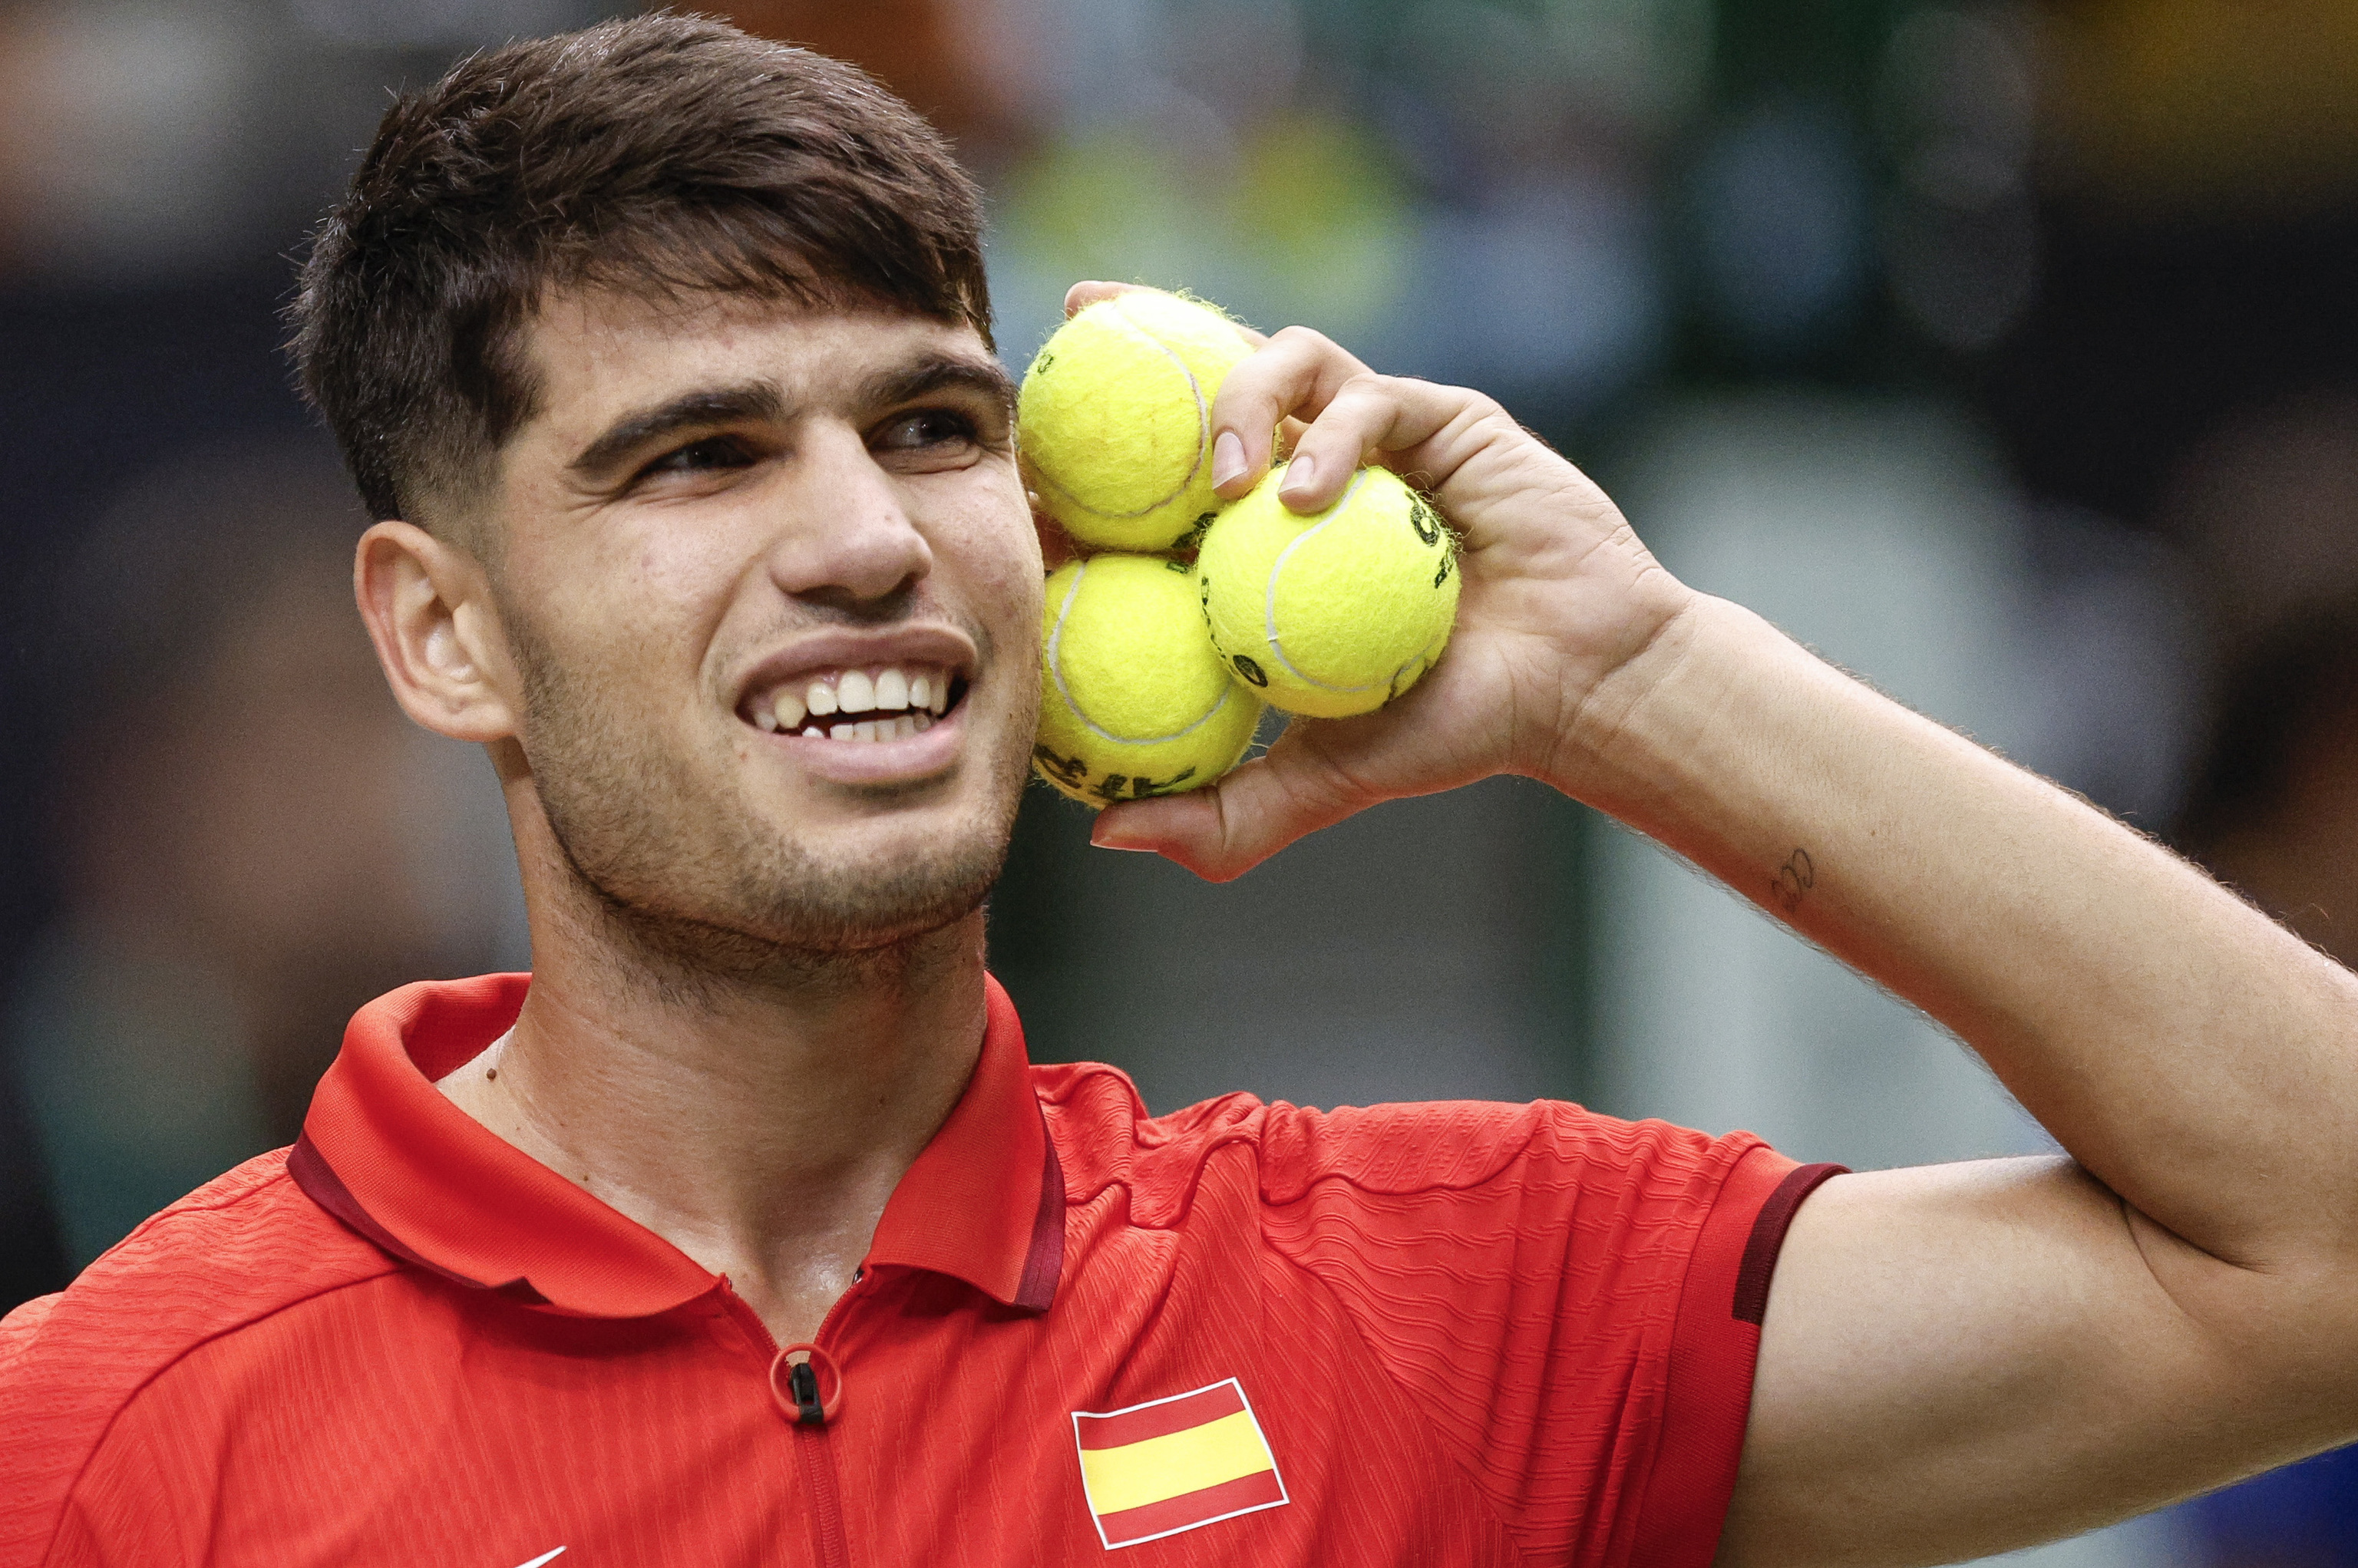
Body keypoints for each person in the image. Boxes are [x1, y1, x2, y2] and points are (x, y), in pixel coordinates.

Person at [5, 15, 2358, 1566]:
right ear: (441, 630)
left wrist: (1637, 680)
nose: (863, 533)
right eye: (699, 457)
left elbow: (2318, 1244)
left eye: (933, 424)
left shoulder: (1440, 1300)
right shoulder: (105, 1439)